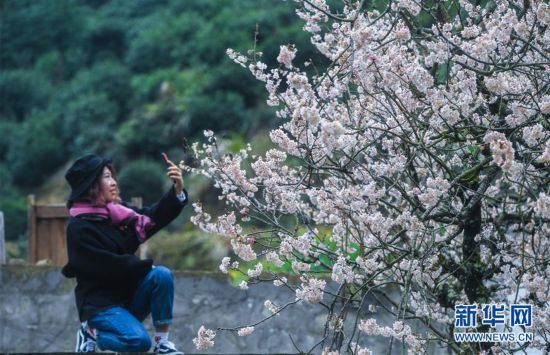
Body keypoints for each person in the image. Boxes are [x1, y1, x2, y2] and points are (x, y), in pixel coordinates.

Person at [61, 154, 188, 354]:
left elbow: (152, 218)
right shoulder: (79, 228)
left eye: (112, 176)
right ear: (90, 185)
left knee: (161, 275)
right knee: (139, 343)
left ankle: (163, 343)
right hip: (100, 306)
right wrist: (144, 267)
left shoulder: (118, 214)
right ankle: (92, 333)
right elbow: (108, 266)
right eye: (106, 177)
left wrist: (177, 191)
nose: (113, 182)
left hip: (127, 297)